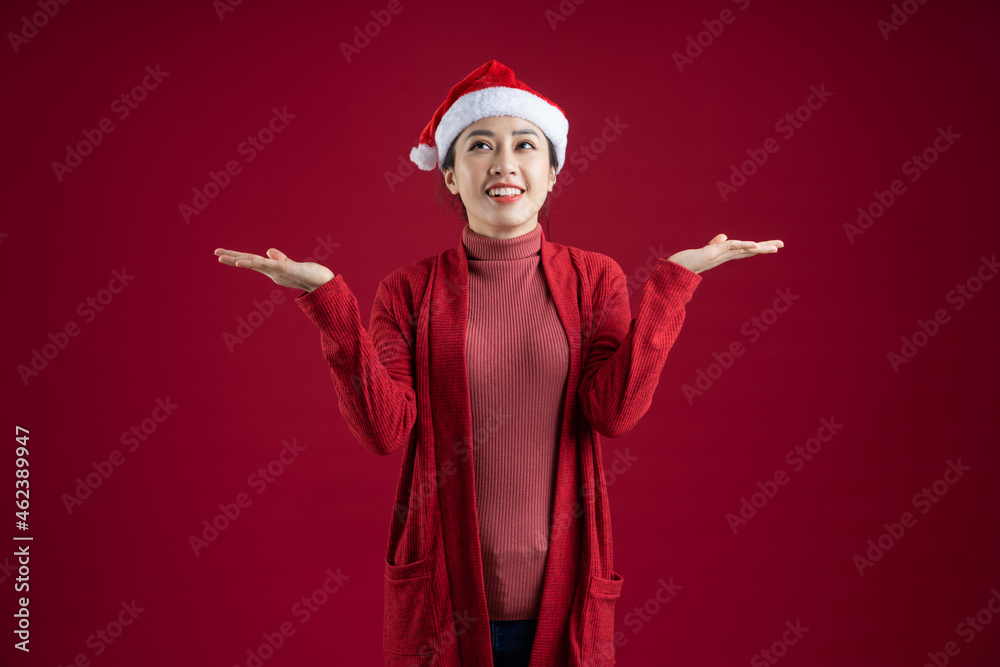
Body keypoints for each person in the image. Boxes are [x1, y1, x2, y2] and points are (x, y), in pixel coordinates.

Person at [214, 59, 783, 667]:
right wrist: (328, 302)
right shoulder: (408, 291)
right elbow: (383, 432)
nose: (504, 163)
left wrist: (672, 288)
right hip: (442, 606)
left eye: (525, 145)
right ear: (453, 176)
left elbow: (613, 413)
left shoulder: (595, 280)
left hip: (563, 606)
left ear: (552, 172)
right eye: (480, 145)